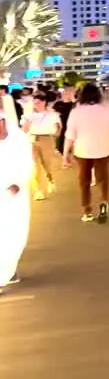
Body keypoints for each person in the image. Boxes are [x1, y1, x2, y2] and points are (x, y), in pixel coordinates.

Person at [63, 83, 109, 223]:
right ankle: (104, 202)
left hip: (82, 150)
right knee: (103, 179)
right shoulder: (107, 110)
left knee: (84, 182)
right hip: (103, 149)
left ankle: (87, 210)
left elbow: (70, 135)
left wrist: (65, 155)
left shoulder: (76, 111)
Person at [0, 114, 32, 293]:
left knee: (16, 235)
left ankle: (8, 269)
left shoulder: (19, 139)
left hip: (15, 196)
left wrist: (18, 183)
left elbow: (27, 164)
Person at [21, 92, 61, 201]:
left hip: (47, 139)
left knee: (47, 164)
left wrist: (56, 133)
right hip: (32, 139)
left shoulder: (52, 114)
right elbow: (24, 129)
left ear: (44, 102)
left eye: (38, 103)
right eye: (34, 103)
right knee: (35, 166)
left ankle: (50, 180)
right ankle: (38, 190)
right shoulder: (29, 114)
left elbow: (58, 128)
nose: (36, 105)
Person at [52, 85, 75, 155]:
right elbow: (52, 114)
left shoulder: (74, 104)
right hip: (60, 127)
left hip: (71, 127)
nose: (64, 94)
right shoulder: (57, 104)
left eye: (67, 93)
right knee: (60, 145)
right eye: (64, 92)